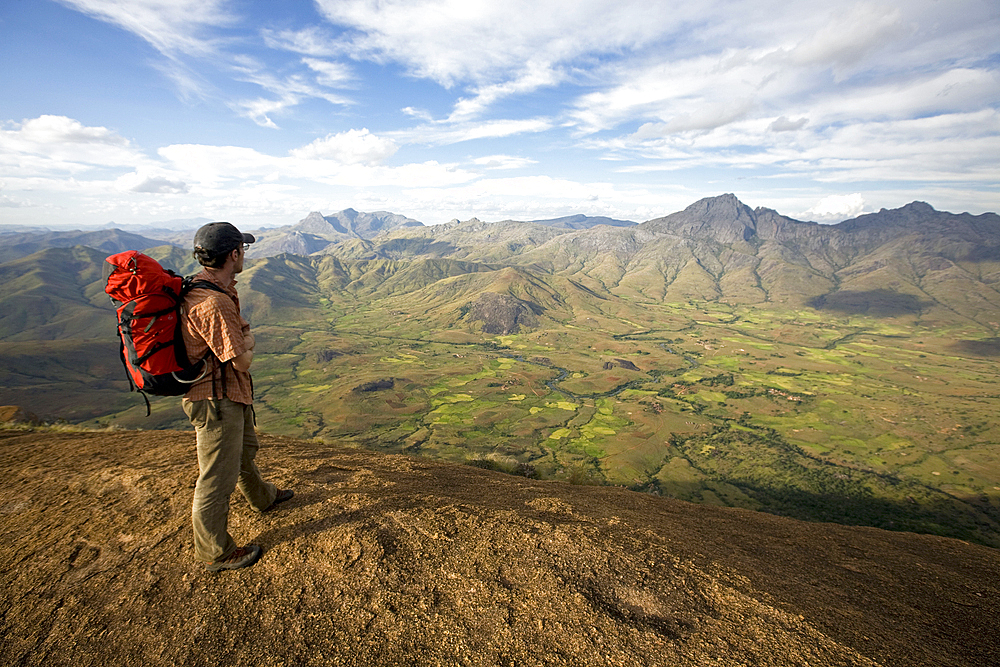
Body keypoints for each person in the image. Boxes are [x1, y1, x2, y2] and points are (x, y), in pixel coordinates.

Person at [181, 221, 293, 572]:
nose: (245, 254)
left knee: (244, 450)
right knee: (216, 477)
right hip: (216, 399)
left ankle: (263, 497)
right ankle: (215, 551)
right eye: (242, 249)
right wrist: (250, 339)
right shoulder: (213, 302)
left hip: (227, 391)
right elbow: (242, 360)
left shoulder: (203, 287)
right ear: (234, 254)